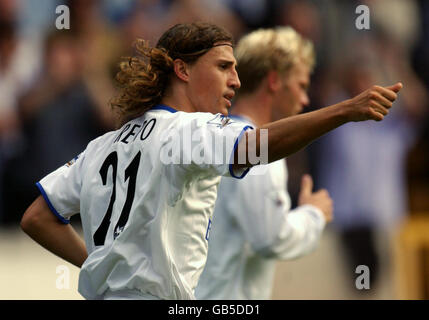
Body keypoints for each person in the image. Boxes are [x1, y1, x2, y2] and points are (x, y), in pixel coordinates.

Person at [20, 22, 402, 300]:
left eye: (235, 68)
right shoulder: (188, 130)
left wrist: (102, 269)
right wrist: (344, 111)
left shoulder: (102, 145)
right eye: (223, 67)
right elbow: (255, 150)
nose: (235, 80)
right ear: (182, 70)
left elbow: (37, 216)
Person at [195, 27, 332, 300]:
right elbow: (270, 238)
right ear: (274, 81)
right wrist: (313, 215)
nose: (305, 100)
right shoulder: (257, 150)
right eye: (302, 86)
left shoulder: (211, 138)